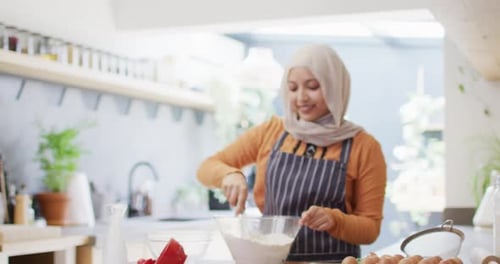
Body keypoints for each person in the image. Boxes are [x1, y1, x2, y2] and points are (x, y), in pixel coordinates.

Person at [197, 44, 386, 262]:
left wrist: (336, 221)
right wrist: (228, 174)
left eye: (313, 86)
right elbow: (206, 167)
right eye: (293, 88)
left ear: (335, 86)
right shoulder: (272, 131)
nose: (301, 98)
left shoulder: (364, 147)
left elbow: (370, 228)